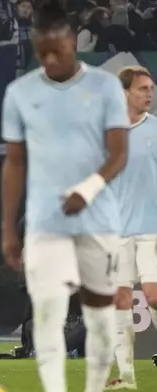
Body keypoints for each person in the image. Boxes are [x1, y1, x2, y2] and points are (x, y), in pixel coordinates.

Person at [0, 1, 129, 391]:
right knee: (47, 314)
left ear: (73, 40)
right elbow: (15, 162)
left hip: (96, 219)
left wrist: (87, 190)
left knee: (99, 315)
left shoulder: (105, 86)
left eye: (56, 48)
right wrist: (8, 227)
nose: (50, 58)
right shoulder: (20, 92)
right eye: (42, 51)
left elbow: (119, 153)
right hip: (44, 222)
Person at [107, 66, 157, 390]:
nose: (149, 93)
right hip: (115, 234)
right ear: (125, 92)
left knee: (153, 296)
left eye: (151, 88)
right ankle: (126, 379)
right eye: (143, 88)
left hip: (152, 230)